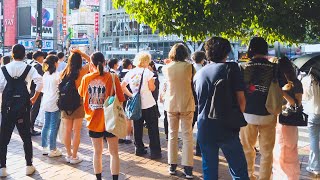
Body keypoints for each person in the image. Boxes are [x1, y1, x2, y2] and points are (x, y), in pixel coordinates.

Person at [194, 37, 249, 179]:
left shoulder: (199, 73)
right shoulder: (232, 68)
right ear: (227, 52)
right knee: (239, 170)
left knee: (209, 171)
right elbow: (241, 100)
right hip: (226, 127)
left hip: (204, 127)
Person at [78, 52, 125, 180]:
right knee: (114, 153)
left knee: (97, 152)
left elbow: (81, 94)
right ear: (105, 62)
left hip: (93, 120)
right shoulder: (113, 77)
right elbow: (121, 98)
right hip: (111, 120)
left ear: (90, 64)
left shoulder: (86, 79)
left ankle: (98, 178)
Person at [0, 44, 43, 177]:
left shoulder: (3, 69)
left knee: (3, 139)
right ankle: (28, 166)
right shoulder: (29, 68)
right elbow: (40, 82)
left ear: (12, 54)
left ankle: (2, 168)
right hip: (23, 108)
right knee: (26, 138)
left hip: (7, 109)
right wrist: (34, 97)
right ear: (24, 55)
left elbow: (1, 87)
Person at [240, 37, 278, 180]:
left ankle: (249, 176)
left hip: (247, 114)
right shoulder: (275, 67)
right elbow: (283, 87)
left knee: (247, 148)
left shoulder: (243, 67)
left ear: (251, 49)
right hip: (269, 113)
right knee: (267, 152)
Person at [162, 43, 195, 179]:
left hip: (171, 104)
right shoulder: (190, 67)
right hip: (187, 103)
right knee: (187, 135)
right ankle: (188, 168)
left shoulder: (166, 68)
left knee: (172, 134)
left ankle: (172, 165)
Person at [121, 52, 162, 159]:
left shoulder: (130, 72)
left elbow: (122, 86)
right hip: (148, 104)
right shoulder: (148, 72)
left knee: (137, 128)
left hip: (136, 105)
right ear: (146, 61)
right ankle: (155, 152)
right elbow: (152, 88)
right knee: (153, 129)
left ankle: (139, 148)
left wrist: (132, 95)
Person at [272, 57, 302, 179]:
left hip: (289, 122)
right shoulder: (276, 82)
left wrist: (282, 92)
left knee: (288, 152)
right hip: (278, 121)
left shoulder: (295, 83)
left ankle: (289, 177)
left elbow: (297, 104)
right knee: (278, 152)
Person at [61, 49, 90, 164]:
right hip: (78, 103)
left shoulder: (64, 72)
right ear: (79, 61)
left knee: (67, 131)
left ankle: (68, 154)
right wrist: (82, 53)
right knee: (76, 131)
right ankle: (74, 156)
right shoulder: (81, 71)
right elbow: (92, 61)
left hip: (65, 103)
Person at [41, 55, 62, 157]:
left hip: (46, 101)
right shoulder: (57, 75)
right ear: (55, 63)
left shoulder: (45, 75)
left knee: (46, 125)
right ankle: (52, 149)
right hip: (54, 102)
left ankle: (44, 147)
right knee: (53, 126)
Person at [302, 69, 320, 175]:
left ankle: (315, 166)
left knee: (314, 140)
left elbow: (306, 97)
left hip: (314, 112)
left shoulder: (307, 80)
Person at [191, 51, 205, 156]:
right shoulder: (204, 70)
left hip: (191, 101)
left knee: (188, 127)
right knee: (201, 127)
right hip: (201, 102)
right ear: (202, 59)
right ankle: (199, 149)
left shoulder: (189, 69)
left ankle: (187, 148)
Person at [118, 59, 133, 144]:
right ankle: (127, 137)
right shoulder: (131, 74)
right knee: (128, 118)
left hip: (120, 98)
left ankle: (121, 136)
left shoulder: (119, 74)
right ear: (130, 65)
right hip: (129, 97)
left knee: (121, 117)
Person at [30, 51, 45, 136]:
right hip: (36, 90)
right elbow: (40, 80)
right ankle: (30, 128)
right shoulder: (38, 67)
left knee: (31, 109)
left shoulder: (32, 64)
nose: (43, 59)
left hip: (31, 89)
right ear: (39, 57)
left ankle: (30, 127)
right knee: (34, 109)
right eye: (43, 57)